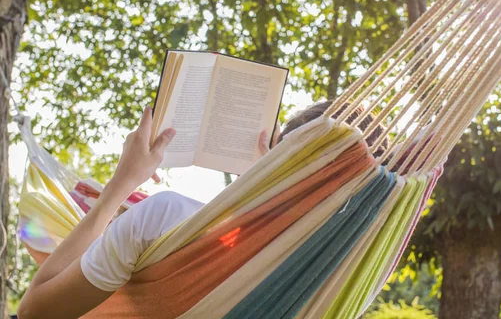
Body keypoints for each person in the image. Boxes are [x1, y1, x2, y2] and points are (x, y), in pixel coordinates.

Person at [18, 101, 384, 319]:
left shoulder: (167, 221)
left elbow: (35, 312)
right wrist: (262, 187)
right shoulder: (355, 273)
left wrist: (120, 186)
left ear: (281, 162)